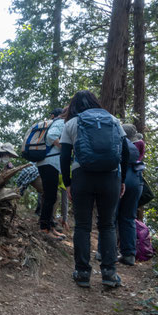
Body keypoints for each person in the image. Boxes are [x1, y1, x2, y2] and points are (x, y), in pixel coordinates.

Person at [60, 90, 129, 288]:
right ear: (95, 102)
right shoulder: (113, 120)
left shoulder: (72, 123)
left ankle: (82, 273)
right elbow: (125, 152)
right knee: (107, 225)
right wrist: (122, 179)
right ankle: (109, 273)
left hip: (82, 176)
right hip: (110, 176)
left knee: (82, 225)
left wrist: (68, 183)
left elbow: (65, 156)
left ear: (74, 106)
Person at [36, 108, 66, 240]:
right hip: (49, 163)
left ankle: (50, 226)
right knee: (50, 196)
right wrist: (65, 148)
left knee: (51, 196)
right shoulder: (60, 122)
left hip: (48, 162)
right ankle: (44, 228)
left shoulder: (58, 122)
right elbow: (51, 136)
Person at [116, 124, 144, 266]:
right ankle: (129, 255)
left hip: (120, 179)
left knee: (111, 217)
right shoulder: (136, 147)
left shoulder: (118, 142)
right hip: (136, 180)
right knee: (129, 217)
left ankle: (105, 252)